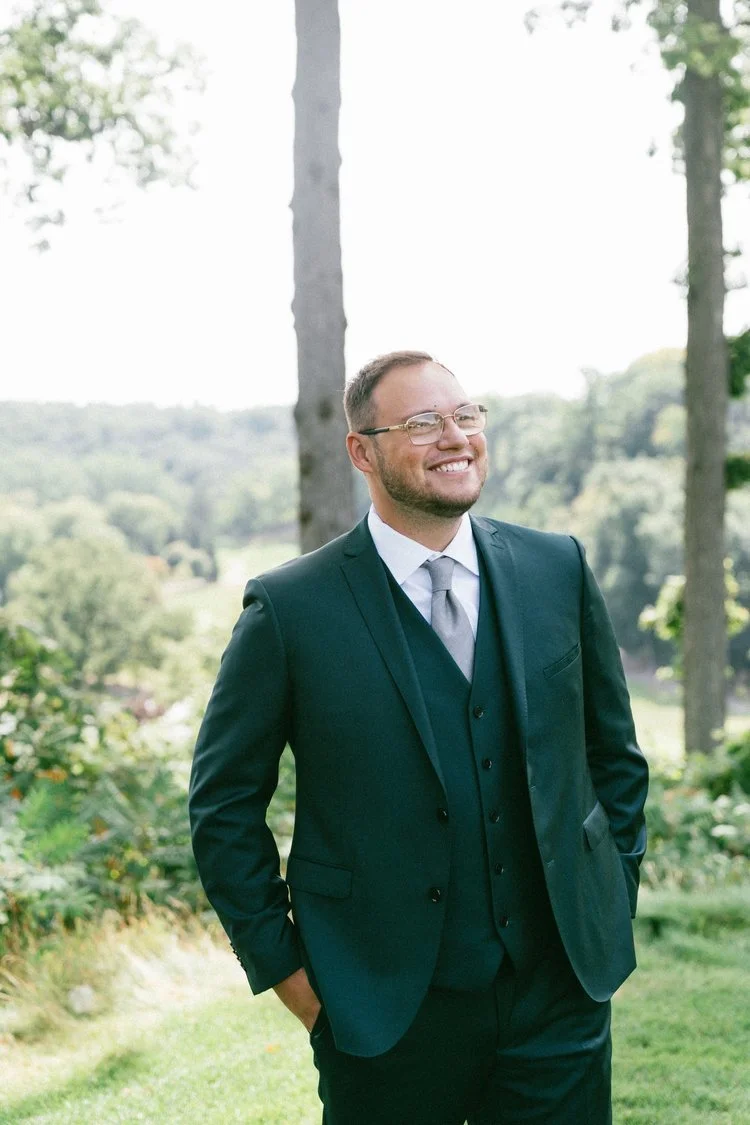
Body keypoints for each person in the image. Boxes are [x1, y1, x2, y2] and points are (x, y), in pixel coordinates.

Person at [189, 350, 649, 1125]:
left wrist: (607, 903)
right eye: (423, 422)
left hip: (558, 997)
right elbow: (224, 805)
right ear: (362, 450)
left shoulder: (555, 566)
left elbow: (615, 758)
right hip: (380, 1006)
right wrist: (293, 978)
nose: (455, 437)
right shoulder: (289, 607)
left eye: (466, 416)